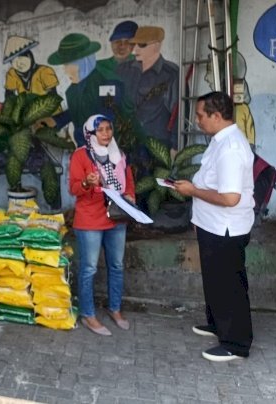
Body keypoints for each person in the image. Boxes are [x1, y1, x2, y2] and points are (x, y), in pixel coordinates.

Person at [174, 92, 255, 362]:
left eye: (200, 115)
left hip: (226, 228)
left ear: (216, 116)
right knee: (216, 282)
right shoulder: (220, 141)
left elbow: (230, 198)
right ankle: (219, 325)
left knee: (229, 284)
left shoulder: (230, 147)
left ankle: (236, 343)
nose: (197, 121)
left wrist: (192, 190)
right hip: (214, 226)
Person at [69, 114, 135, 336]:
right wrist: (87, 182)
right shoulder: (80, 156)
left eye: (109, 128)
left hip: (116, 217)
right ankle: (88, 314)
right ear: (90, 133)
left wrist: (130, 196)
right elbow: (74, 188)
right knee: (89, 269)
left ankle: (115, 309)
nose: (106, 133)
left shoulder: (119, 155)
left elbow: (129, 182)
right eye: (101, 130)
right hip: (90, 219)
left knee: (117, 265)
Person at [46, 33, 128, 147]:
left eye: (69, 65)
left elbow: (107, 115)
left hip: (108, 149)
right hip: (84, 148)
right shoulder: (73, 90)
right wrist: (56, 121)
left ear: (83, 63)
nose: (66, 71)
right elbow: (78, 109)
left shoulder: (107, 82)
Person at [116, 26, 179, 154]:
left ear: (156, 46)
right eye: (134, 44)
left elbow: (178, 111)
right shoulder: (123, 70)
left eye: (142, 44)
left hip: (157, 146)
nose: (135, 50)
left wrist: (175, 146)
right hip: (126, 144)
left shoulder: (170, 73)